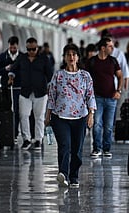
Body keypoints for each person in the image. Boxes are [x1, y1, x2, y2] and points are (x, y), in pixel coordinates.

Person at [45, 44, 96, 188]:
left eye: (74, 54)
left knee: (77, 149)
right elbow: (51, 96)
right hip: (60, 117)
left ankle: (74, 176)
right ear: (64, 58)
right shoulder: (58, 75)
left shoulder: (85, 76)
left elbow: (90, 96)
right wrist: (47, 116)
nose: (71, 57)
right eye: (68, 54)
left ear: (78, 57)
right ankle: (63, 173)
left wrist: (91, 114)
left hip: (80, 117)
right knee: (64, 145)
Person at [8, 37, 53, 150]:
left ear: (37, 48)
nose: (31, 52)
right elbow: (13, 69)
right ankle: (26, 139)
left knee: (39, 117)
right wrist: (11, 76)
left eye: (33, 49)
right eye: (29, 49)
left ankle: (38, 139)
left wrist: (50, 87)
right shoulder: (22, 58)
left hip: (41, 93)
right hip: (25, 92)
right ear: (26, 48)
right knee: (23, 115)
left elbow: (50, 74)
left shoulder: (44, 59)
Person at [86, 37, 123, 158]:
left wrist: (119, 90)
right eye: (110, 46)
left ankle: (107, 149)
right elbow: (86, 78)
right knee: (97, 124)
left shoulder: (113, 61)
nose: (112, 48)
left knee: (108, 126)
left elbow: (120, 76)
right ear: (103, 48)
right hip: (96, 98)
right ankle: (97, 148)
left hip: (111, 98)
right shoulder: (92, 61)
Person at [0, 36, 23, 142]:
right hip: (6, 88)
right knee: (6, 110)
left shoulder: (21, 57)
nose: (12, 50)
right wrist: (5, 69)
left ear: (17, 46)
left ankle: (15, 133)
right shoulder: (3, 56)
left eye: (14, 48)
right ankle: (7, 131)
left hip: (18, 87)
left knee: (16, 110)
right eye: (11, 48)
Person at [100, 29, 129, 121]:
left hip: (114, 88)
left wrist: (124, 90)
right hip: (99, 88)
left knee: (112, 112)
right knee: (99, 117)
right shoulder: (98, 54)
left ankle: (111, 129)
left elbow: (125, 72)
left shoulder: (118, 53)